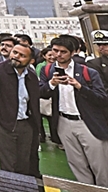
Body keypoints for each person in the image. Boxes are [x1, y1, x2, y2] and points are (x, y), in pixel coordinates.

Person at [40, 36, 108, 186]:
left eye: (63, 52)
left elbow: (102, 98)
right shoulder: (47, 70)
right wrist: (52, 84)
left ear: (73, 53)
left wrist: (80, 87)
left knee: (100, 164)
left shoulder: (87, 72)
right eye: (55, 50)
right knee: (76, 163)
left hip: (87, 122)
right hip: (63, 122)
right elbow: (40, 92)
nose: (58, 55)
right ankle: (85, 188)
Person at [0, 44, 40, 176]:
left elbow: (33, 99)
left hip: (26, 123)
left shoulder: (31, 75)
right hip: (4, 125)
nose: (16, 57)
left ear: (31, 61)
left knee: (24, 163)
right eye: (15, 52)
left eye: (22, 55)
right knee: (8, 165)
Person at [36, 46, 59, 143]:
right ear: (44, 56)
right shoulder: (42, 67)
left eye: (53, 55)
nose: (52, 57)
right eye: (49, 55)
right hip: (46, 96)